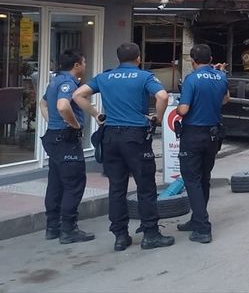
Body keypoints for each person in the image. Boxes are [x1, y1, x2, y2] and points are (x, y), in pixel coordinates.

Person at [73, 43, 173, 251]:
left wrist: (96, 115)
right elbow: (163, 96)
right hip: (135, 138)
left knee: (117, 188)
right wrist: (158, 117)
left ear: (119, 59)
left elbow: (77, 95)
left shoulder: (104, 77)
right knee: (145, 186)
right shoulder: (144, 77)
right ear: (138, 58)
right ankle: (150, 234)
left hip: (110, 137)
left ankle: (120, 236)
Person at [39, 50, 94, 244]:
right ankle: (69, 229)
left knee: (55, 183)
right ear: (76, 65)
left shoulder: (54, 81)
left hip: (54, 138)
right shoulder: (68, 83)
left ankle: (52, 227)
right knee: (74, 183)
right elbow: (63, 106)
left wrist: (53, 123)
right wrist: (74, 125)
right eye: (84, 62)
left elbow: (43, 104)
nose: (85, 66)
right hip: (66, 141)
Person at [175, 44, 229, 244]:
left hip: (193, 134)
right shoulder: (221, 77)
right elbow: (226, 99)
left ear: (192, 60)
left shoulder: (191, 79)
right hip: (213, 135)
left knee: (192, 179)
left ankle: (203, 227)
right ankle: (196, 219)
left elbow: (183, 109)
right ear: (211, 59)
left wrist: (178, 107)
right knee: (204, 178)